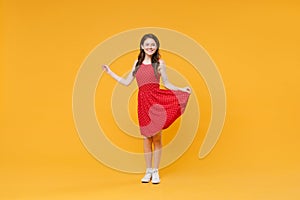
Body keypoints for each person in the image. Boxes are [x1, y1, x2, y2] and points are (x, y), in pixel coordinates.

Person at [102, 33, 191, 184]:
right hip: (143, 103)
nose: (150, 47)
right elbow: (126, 82)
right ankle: (148, 170)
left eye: (153, 44)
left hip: (156, 102)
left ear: (156, 47)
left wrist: (182, 89)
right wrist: (110, 72)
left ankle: (156, 171)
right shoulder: (137, 62)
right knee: (146, 137)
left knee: (156, 137)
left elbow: (167, 84)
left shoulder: (160, 64)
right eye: (147, 44)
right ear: (142, 46)